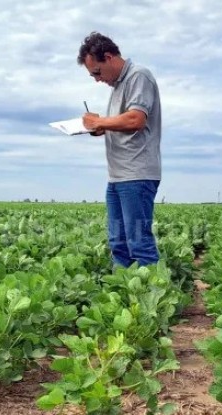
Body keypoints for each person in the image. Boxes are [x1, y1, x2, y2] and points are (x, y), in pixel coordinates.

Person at [77, 32, 162, 268]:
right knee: (118, 243)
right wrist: (101, 127)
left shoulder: (138, 76)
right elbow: (124, 124)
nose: (97, 80)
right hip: (118, 176)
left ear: (108, 57)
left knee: (139, 242)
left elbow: (136, 119)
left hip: (136, 174)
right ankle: (121, 289)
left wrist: (100, 121)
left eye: (97, 72)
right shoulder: (117, 86)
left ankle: (154, 290)